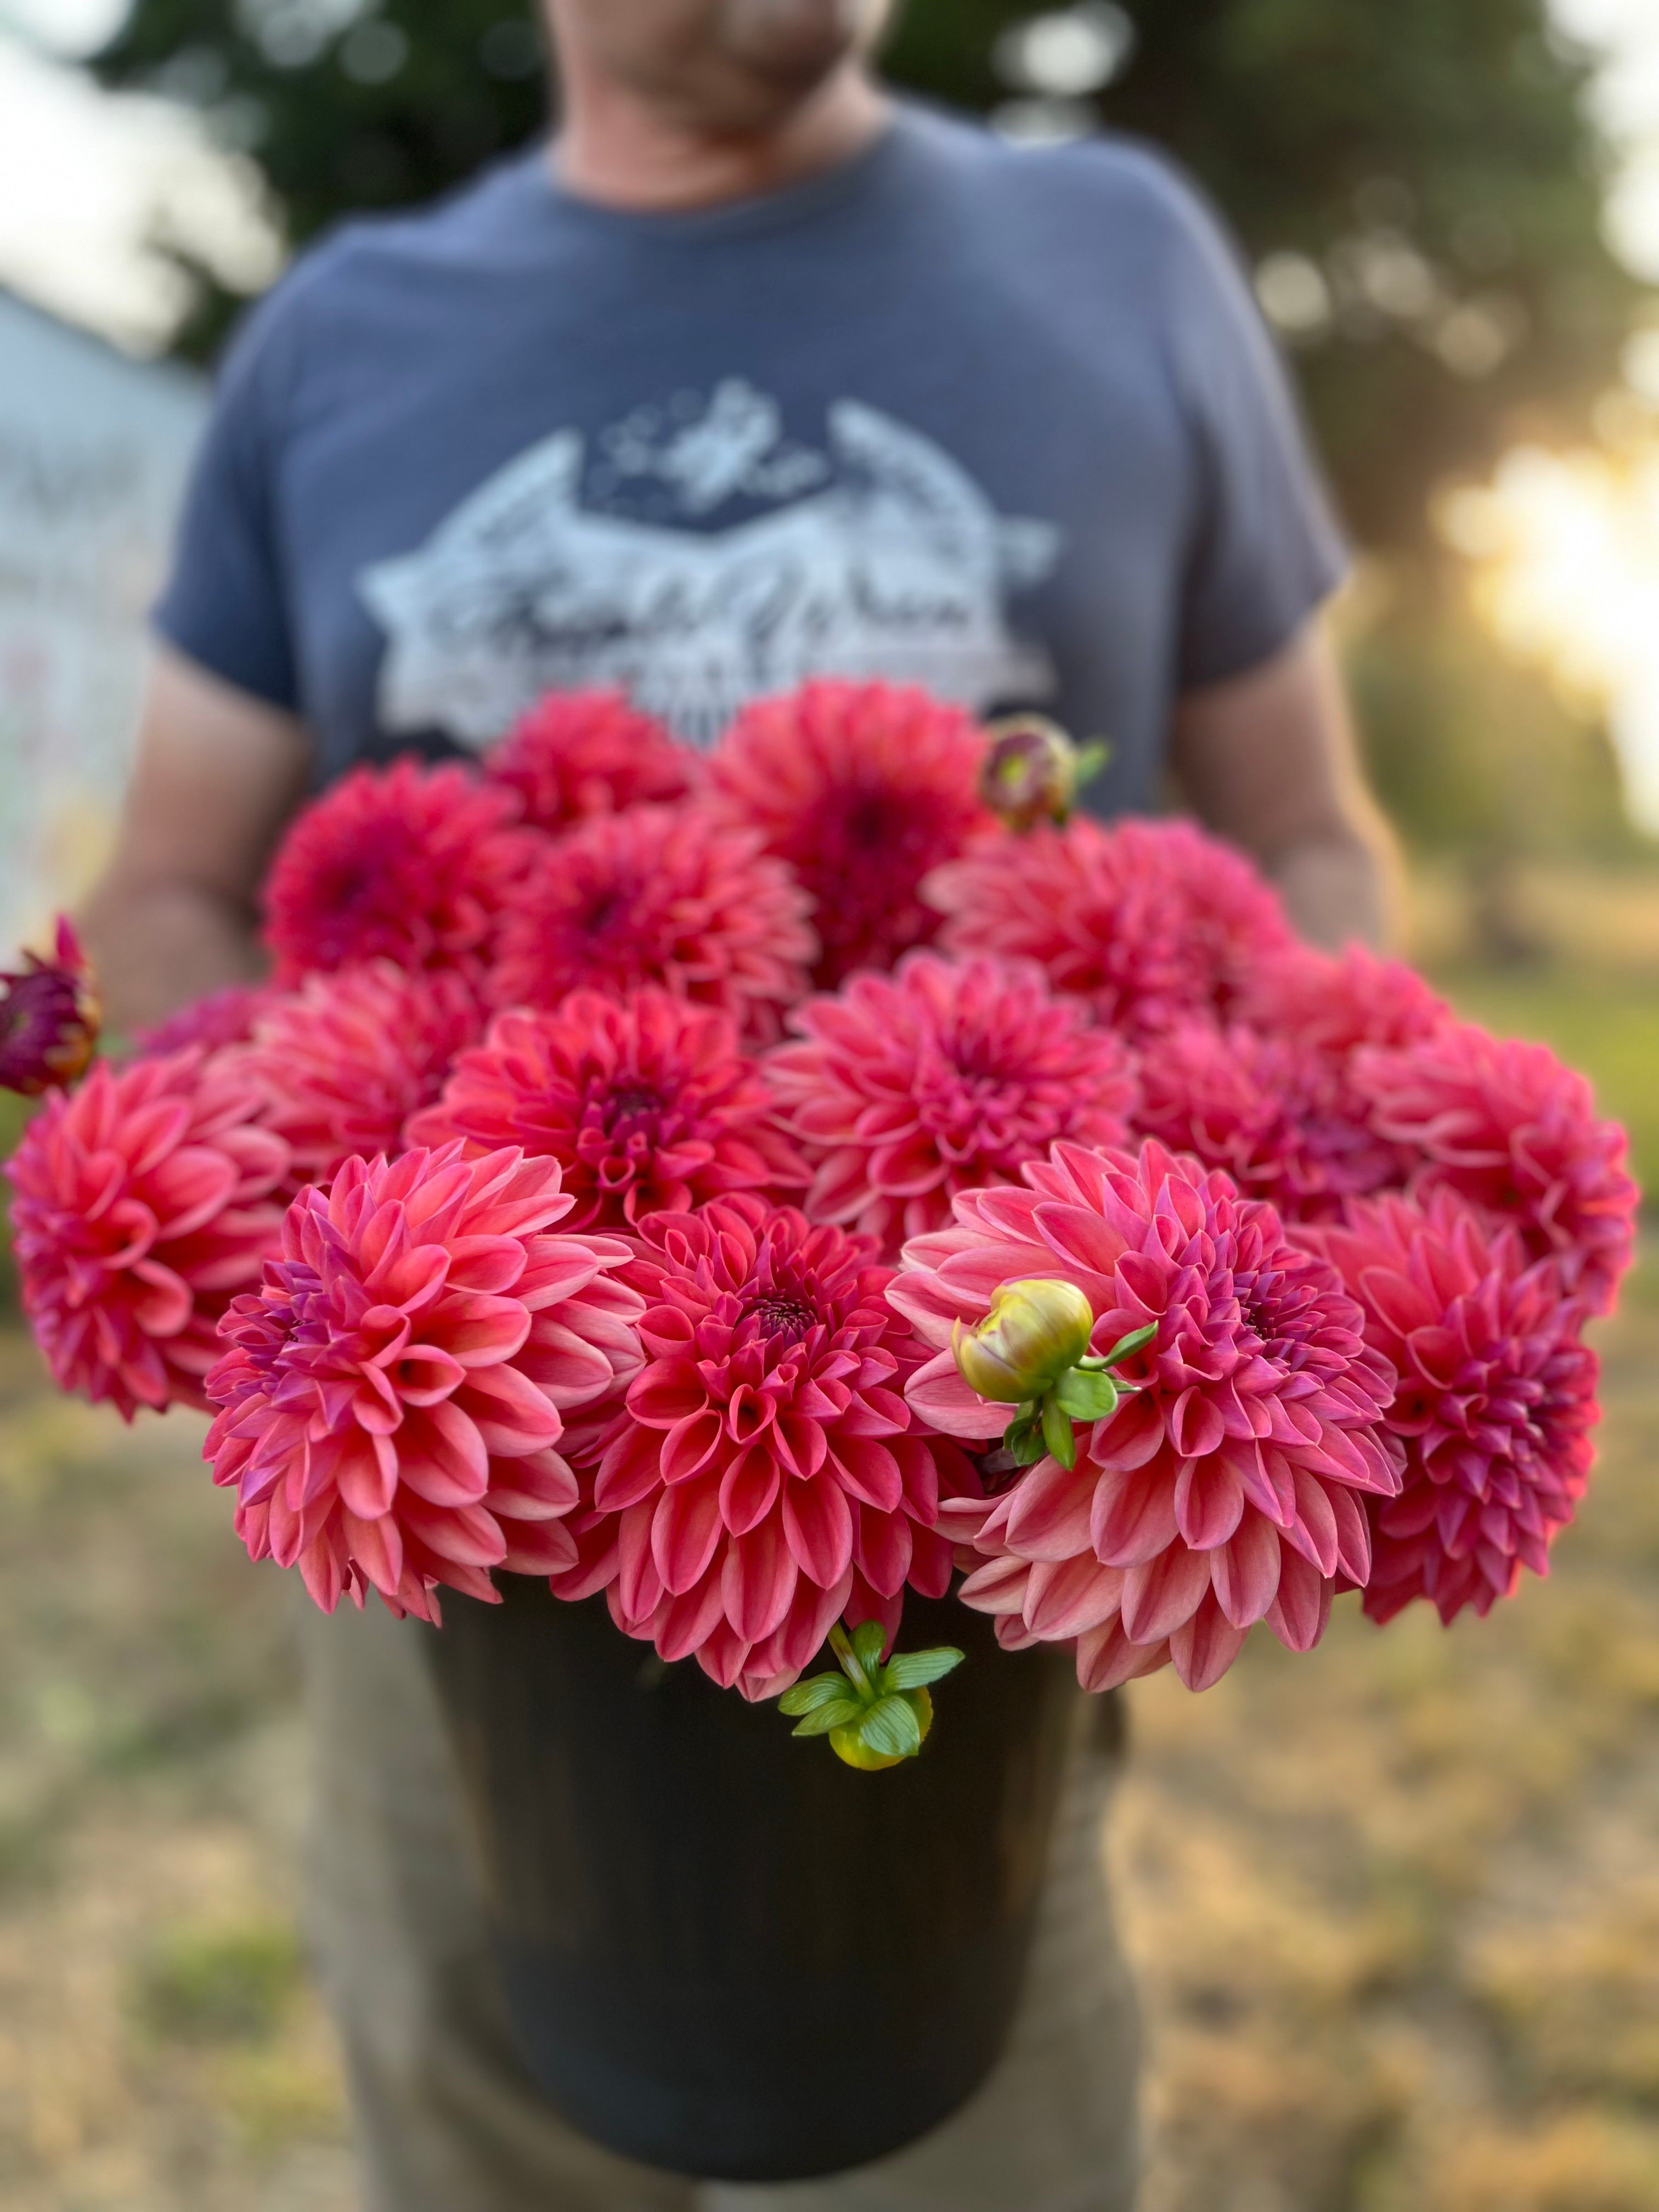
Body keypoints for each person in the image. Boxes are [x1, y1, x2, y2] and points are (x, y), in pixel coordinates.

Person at [83, 3, 1396, 2205]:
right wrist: (273, 1211)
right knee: (472, 2094)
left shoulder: (1124, 256)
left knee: (978, 2114)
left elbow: (1317, 840)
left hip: (985, 1532)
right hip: (447, 1558)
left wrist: (1274, 1211)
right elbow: (177, 876)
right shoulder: (335, 346)